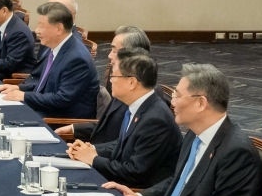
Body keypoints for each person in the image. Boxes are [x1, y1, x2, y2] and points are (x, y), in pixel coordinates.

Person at [102, 63, 261, 196]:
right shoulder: (194, 135)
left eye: (177, 95)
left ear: (200, 103)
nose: (172, 103)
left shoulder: (236, 152)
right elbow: (179, 181)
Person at [67, 49, 181, 187]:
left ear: (132, 82)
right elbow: (123, 146)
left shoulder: (155, 120)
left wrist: (94, 159)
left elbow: (135, 172)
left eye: (113, 76)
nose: (110, 81)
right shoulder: (139, 107)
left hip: (134, 190)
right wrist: (90, 149)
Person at [0, 1, 98, 118]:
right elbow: (43, 83)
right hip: (44, 109)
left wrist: (24, 96)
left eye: (41, 26)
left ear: (59, 29)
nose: (36, 30)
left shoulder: (76, 58)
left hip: (58, 119)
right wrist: (18, 87)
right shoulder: (56, 48)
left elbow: (62, 99)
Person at [58, 26, 152, 143]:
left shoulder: (143, 96)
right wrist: (74, 128)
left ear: (132, 56)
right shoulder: (123, 84)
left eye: (114, 51)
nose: (109, 55)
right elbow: (108, 125)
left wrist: (92, 151)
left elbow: (125, 144)